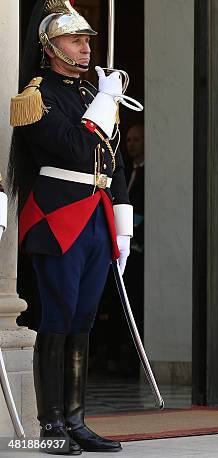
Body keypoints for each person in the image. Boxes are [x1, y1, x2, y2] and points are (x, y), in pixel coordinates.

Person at [7, 0, 133, 453]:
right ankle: (51, 426)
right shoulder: (36, 96)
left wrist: (123, 221)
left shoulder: (88, 94)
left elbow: (112, 160)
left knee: (83, 321)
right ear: (50, 45)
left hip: (96, 215)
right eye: (76, 40)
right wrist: (105, 100)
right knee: (56, 319)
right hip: (58, 216)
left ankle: (77, 420)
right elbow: (74, 149)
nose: (85, 48)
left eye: (86, 41)